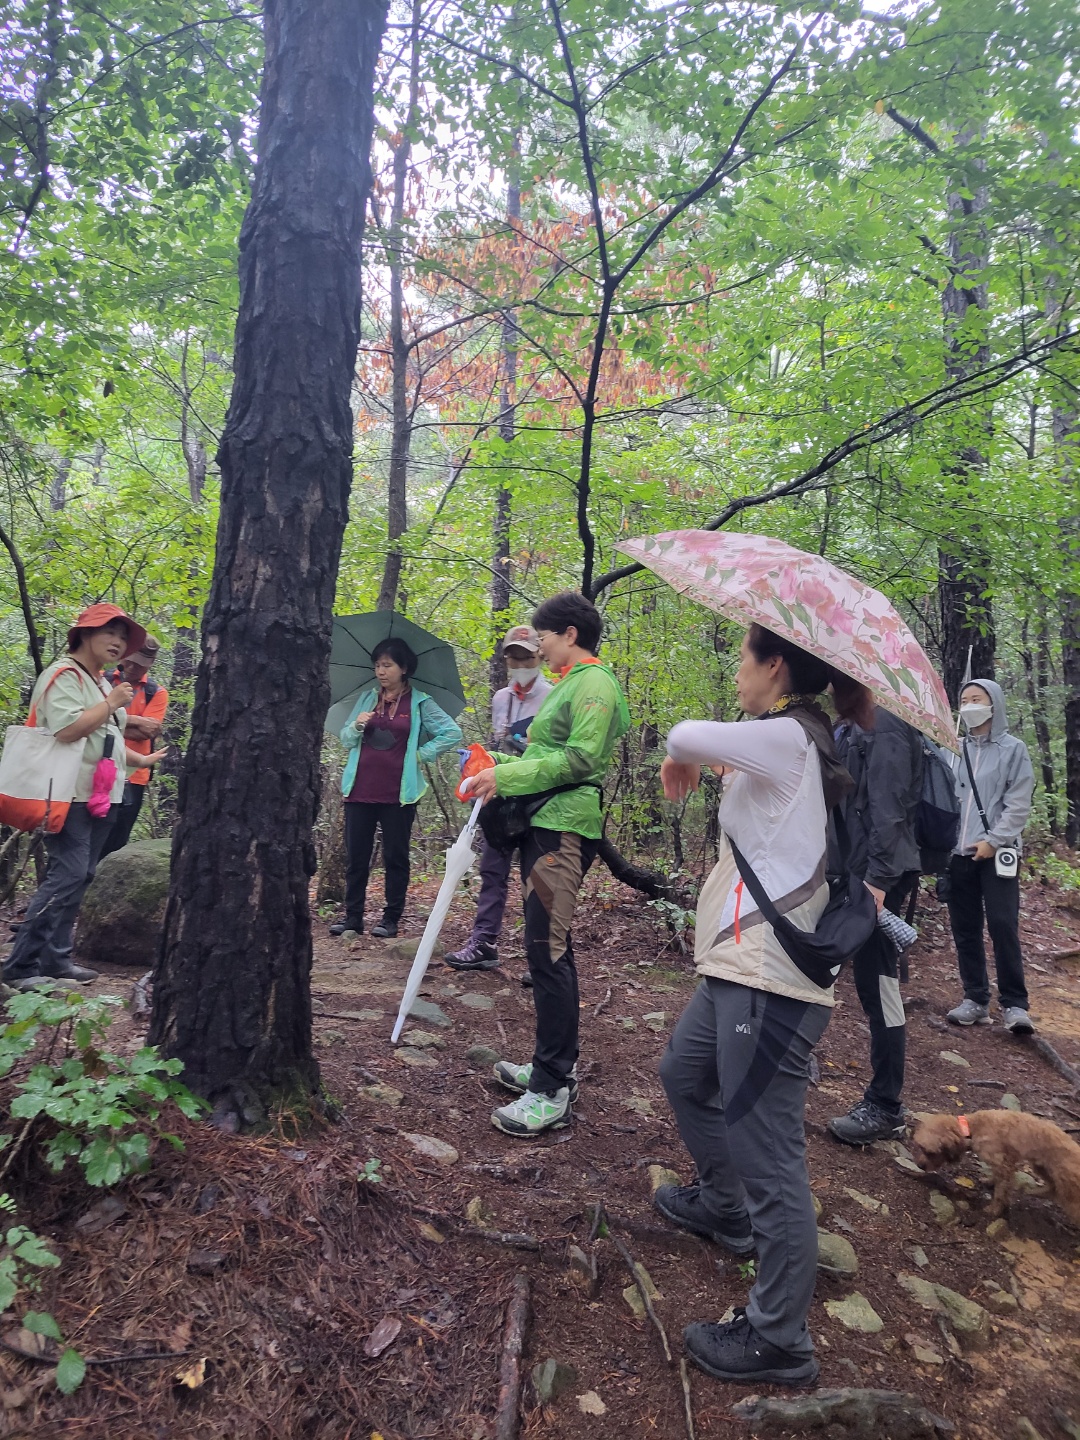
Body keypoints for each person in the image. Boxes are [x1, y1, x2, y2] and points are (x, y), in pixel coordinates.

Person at [655, 625, 867, 1389]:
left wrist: (687, 753)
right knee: (684, 1074)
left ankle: (780, 1337)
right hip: (738, 966)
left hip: (770, 981)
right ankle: (724, 1207)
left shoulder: (788, 735)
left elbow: (684, 733)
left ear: (774, 665)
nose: (737, 672)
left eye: (744, 658)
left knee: (770, 1157)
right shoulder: (787, 741)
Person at [463, 592, 630, 1136]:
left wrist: (506, 776)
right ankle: (552, 1066)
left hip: (564, 829)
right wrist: (494, 764)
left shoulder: (595, 683)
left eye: (545, 637)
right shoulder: (569, 684)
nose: (540, 648)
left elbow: (581, 759)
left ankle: (552, 1087)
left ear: (570, 635)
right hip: (544, 822)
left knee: (547, 950)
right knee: (546, 945)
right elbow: (544, 757)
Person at [3, 604, 166, 992]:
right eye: (110, 633)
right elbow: (67, 730)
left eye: (123, 637)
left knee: (83, 874)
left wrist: (140, 759)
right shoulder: (64, 675)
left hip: (102, 794)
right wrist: (112, 705)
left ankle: (56, 959)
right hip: (68, 793)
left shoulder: (101, 683)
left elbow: (104, 739)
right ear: (85, 634)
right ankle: (20, 966)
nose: (118, 642)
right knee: (70, 874)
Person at [827, 700, 923, 1146]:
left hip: (875, 876)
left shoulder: (884, 721)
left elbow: (890, 805)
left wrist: (879, 881)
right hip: (850, 871)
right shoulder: (849, 723)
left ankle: (885, 1105)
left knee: (878, 985)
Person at [331, 637, 461, 940]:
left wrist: (419, 755)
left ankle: (390, 919)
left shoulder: (419, 702)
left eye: (387, 665)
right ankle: (353, 918)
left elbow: (451, 732)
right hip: (359, 790)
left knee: (396, 857)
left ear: (404, 668)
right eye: (377, 665)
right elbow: (346, 739)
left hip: (399, 794)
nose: (381, 671)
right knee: (357, 858)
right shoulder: (367, 699)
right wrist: (356, 725)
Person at [445, 624, 553, 972]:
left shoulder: (553, 697)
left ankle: (542, 958)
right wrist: (478, 761)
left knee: (539, 879)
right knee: (492, 869)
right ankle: (484, 942)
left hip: (538, 797)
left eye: (527, 657)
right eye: (513, 658)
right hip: (501, 795)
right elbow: (498, 742)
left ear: (540, 656)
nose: (520, 664)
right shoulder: (501, 699)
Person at [943, 679, 1035, 1034]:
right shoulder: (953, 748)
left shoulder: (1013, 749)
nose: (970, 706)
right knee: (965, 928)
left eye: (976, 699)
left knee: (1002, 924)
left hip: (998, 853)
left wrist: (994, 840)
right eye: (964, 700)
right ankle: (975, 999)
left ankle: (1015, 1004)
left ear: (993, 704)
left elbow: (1018, 802)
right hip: (959, 852)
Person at [101, 634, 168, 857]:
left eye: (139, 665)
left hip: (133, 777)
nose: (131, 667)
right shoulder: (102, 680)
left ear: (150, 664)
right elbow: (87, 718)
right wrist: (135, 720)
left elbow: (147, 732)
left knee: (116, 844)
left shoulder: (155, 693)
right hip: (96, 768)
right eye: (130, 660)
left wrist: (106, 717)